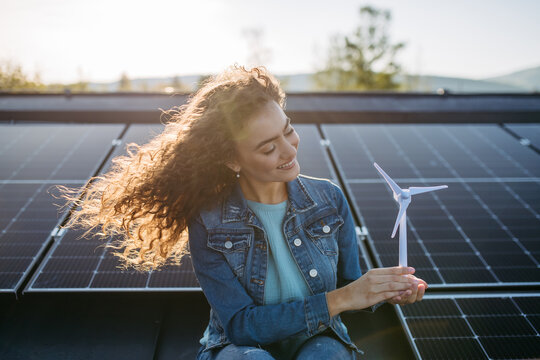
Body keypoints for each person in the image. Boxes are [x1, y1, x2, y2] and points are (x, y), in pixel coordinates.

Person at [55, 64, 426, 360]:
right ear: (233, 159)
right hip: (239, 349)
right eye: (268, 149)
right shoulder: (208, 220)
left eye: (289, 130)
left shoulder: (329, 200)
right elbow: (241, 326)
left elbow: (351, 285)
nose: (289, 150)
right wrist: (342, 299)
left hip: (318, 339)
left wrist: (385, 292)